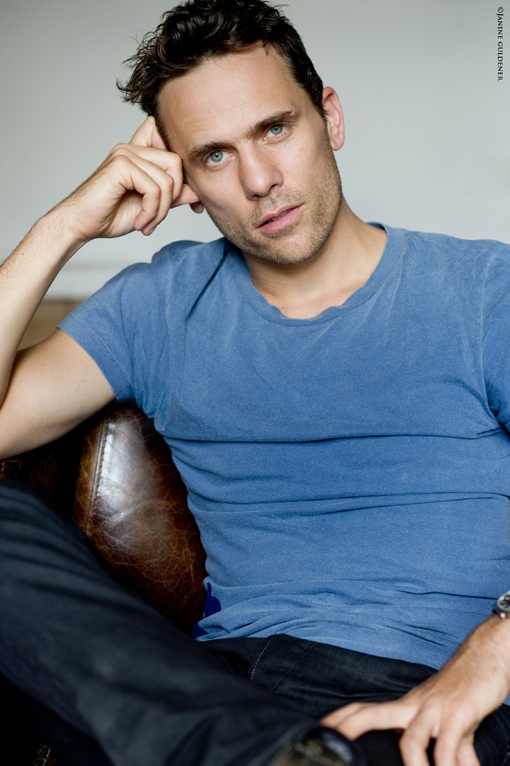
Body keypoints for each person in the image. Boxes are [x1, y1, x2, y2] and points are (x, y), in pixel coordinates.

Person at [1, 1, 510, 765]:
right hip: (204, 690)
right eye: (214, 156)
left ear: (329, 116)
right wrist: (62, 227)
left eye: (275, 129)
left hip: (403, 704)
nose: (261, 180)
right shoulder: (160, 305)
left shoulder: (483, 290)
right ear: (183, 180)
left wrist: (500, 644)